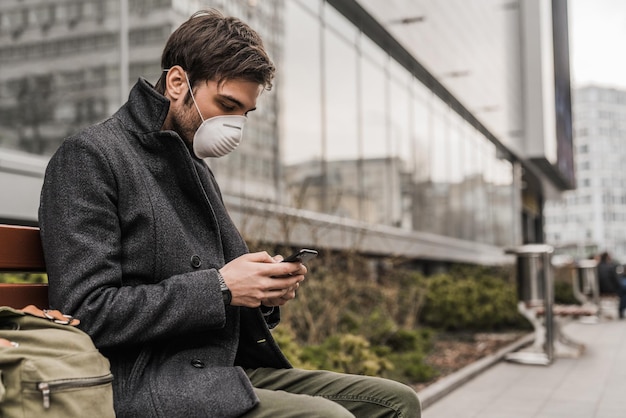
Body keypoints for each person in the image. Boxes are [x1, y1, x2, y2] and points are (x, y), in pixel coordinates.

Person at [38, 9, 420, 418]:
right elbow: (85, 312)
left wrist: (264, 291)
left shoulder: (195, 166)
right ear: (177, 82)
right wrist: (221, 288)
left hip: (217, 372)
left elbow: (227, 287)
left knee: (397, 402)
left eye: (245, 113)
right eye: (226, 104)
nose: (235, 125)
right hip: (145, 382)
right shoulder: (91, 156)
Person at [597, 251, 625, 318]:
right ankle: (621, 310)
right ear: (607, 257)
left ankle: (621, 310)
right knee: (624, 292)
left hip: (600, 289)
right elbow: (616, 280)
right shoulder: (610, 267)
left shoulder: (598, 267)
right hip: (610, 289)